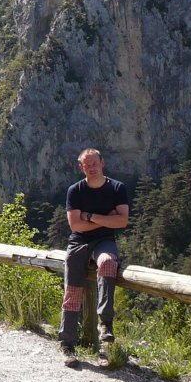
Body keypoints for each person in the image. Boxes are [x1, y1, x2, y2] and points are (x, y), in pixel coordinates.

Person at [58, 148, 129, 368]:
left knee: (108, 262)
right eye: (86, 164)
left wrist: (90, 217)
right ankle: (67, 343)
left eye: (94, 163)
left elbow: (122, 221)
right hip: (79, 242)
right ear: (81, 167)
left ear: (102, 162)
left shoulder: (117, 188)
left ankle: (105, 324)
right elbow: (76, 225)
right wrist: (106, 219)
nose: (91, 167)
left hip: (104, 241)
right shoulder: (75, 190)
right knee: (73, 290)